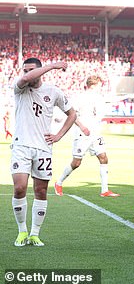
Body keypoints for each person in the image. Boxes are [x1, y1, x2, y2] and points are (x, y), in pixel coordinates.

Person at [11, 58, 77, 247]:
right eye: (25, 70)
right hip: (21, 145)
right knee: (19, 188)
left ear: (39, 70)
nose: (26, 73)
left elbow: (72, 114)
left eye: (31, 70)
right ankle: (22, 231)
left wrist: (59, 135)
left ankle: (34, 234)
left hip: (43, 148)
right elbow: (26, 79)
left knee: (41, 191)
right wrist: (52, 66)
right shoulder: (20, 87)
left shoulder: (53, 91)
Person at [54, 75, 119, 197]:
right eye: (99, 85)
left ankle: (104, 190)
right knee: (76, 163)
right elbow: (72, 114)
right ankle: (59, 182)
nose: (101, 88)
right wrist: (82, 127)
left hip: (95, 133)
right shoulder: (81, 97)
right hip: (83, 133)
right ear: (94, 85)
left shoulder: (99, 98)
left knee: (103, 157)